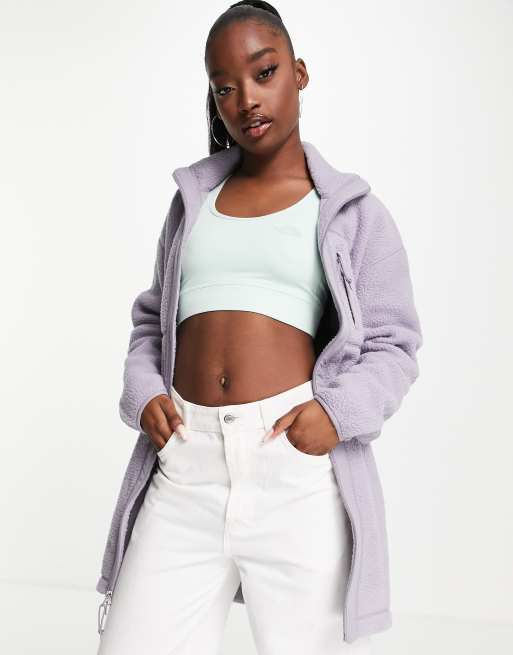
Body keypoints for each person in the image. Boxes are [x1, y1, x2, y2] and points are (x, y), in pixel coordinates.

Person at [96, 2, 423, 654]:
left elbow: (394, 343)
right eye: (224, 88)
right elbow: (151, 322)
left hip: (291, 467)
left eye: (263, 72)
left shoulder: (350, 212)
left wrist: (335, 415)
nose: (245, 99)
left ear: (298, 73)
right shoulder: (193, 204)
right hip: (186, 462)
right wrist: (146, 392)